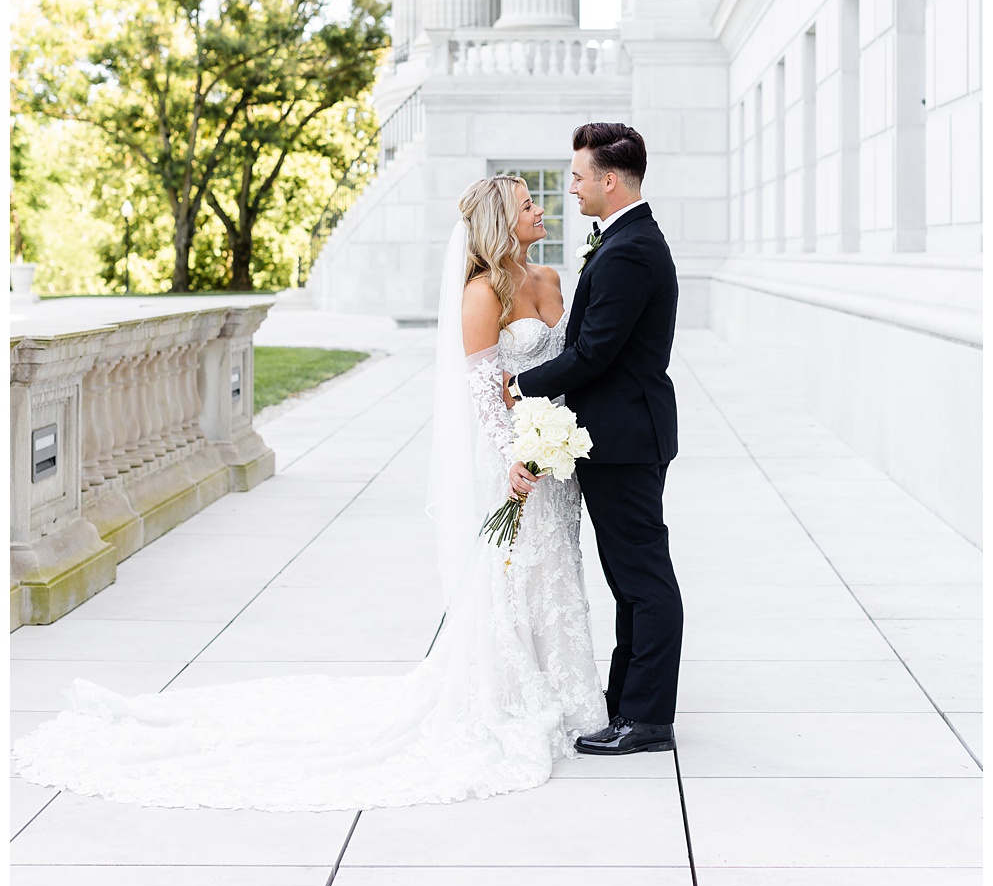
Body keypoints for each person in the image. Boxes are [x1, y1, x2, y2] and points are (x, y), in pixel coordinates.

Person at [12, 175, 604, 811]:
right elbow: (484, 393)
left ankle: (569, 693)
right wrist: (515, 456)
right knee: (512, 576)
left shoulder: (550, 280)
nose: (539, 209)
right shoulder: (482, 295)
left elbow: (568, 362)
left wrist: (555, 439)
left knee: (557, 567)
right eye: (527, 204)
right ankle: (515, 698)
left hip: (555, 455)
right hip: (512, 460)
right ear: (498, 220)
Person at [505, 122, 683, 756]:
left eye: (578, 176)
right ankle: (628, 703)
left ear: (611, 180)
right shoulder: (624, 238)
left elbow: (595, 352)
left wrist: (521, 384)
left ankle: (648, 719)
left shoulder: (631, 248)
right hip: (618, 433)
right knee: (630, 578)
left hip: (625, 435)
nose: (571, 187)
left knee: (642, 578)